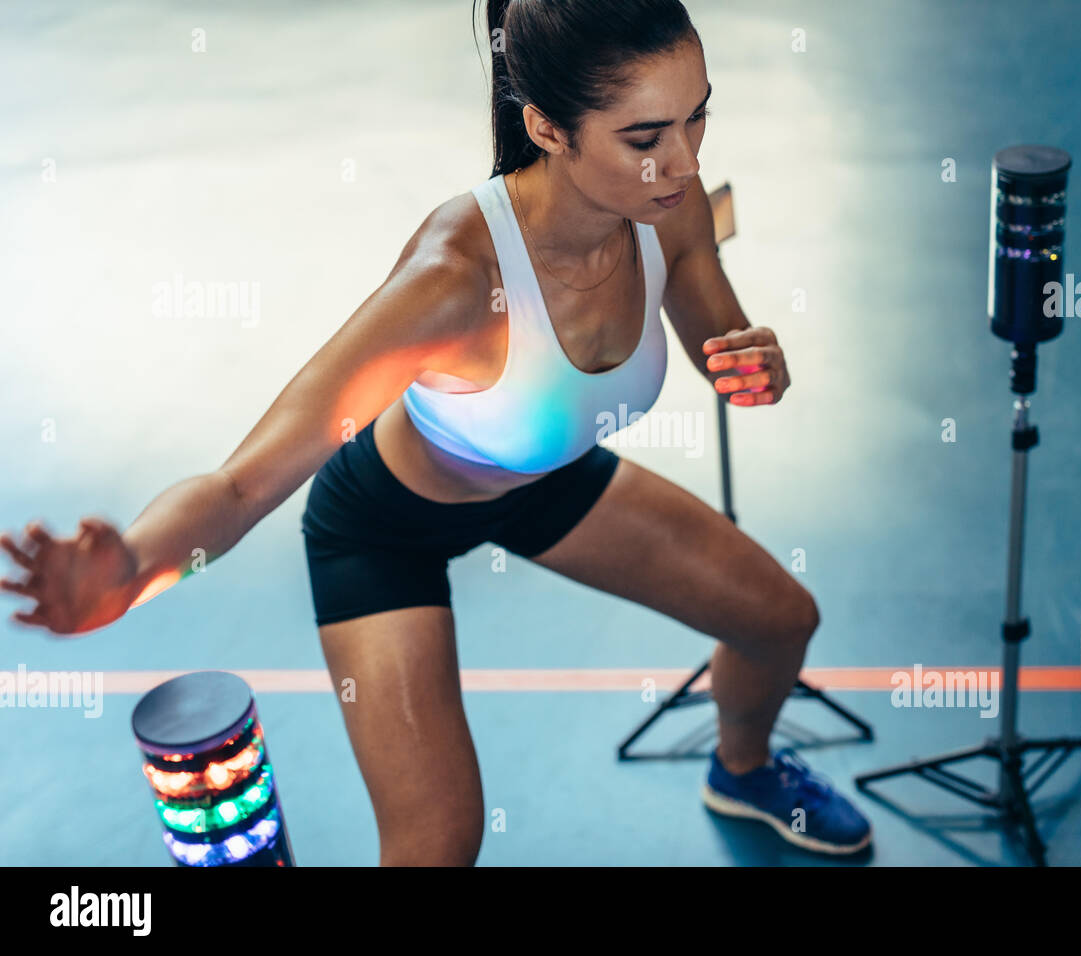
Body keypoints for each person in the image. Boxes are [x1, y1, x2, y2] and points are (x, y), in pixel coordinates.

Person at [1, 0, 871, 864]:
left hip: (548, 476)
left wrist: (755, 363)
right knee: (440, 841)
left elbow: (714, 321)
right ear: (548, 128)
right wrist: (137, 568)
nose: (683, 160)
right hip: (386, 528)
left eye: (698, 115)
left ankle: (744, 771)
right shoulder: (453, 283)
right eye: (645, 139)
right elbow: (241, 487)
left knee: (778, 619)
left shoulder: (668, 203)